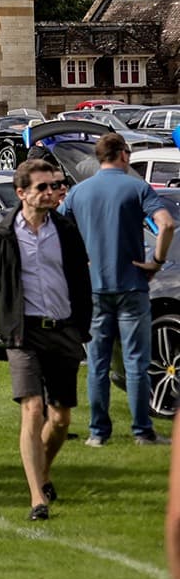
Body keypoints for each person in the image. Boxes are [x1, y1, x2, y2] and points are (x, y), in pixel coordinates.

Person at [0, 157, 93, 520]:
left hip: (63, 329)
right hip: (23, 333)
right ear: (22, 193)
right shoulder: (2, 236)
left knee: (62, 417)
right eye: (42, 187)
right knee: (32, 410)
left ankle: (44, 471)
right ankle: (38, 497)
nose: (51, 192)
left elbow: (81, 281)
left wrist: (85, 325)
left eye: (53, 186)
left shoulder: (65, 230)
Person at [62, 132, 177, 446]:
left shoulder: (78, 193)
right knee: (136, 362)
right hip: (132, 285)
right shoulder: (137, 188)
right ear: (124, 155)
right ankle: (143, 430)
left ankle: (98, 433)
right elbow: (165, 223)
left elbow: (57, 232)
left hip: (93, 287)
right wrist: (157, 260)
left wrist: (78, 262)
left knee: (97, 364)